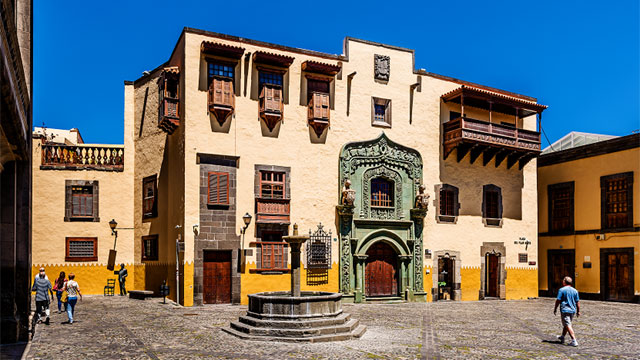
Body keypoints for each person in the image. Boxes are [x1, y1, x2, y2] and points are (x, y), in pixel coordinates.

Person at [554, 276, 581, 347]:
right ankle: (562, 337)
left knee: (568, 325)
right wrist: (578, 311)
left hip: (565, 309)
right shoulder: (575, 291)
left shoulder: (561, 290)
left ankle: (574, 340)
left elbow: (558, 300)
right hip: (572, 310)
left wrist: (555, 308)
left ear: (564, 282)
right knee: (567, 324)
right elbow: (577, 302)